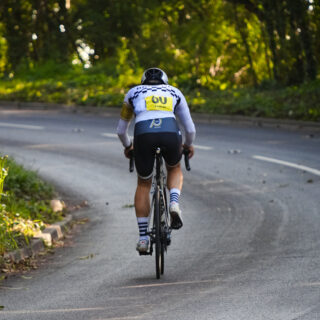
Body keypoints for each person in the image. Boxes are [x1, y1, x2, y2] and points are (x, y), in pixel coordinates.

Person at [117, 67, 196, 253]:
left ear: (143, 81)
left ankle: (143, 238)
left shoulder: (133, 93)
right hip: (170, 132)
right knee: (174, 168)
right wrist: (187, 145)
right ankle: (174, 203)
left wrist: (128, 146)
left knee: (144, 183)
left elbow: (121, 131)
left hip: (143, 134)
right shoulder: (175, 92)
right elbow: (190, 129)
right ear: (165, 82)